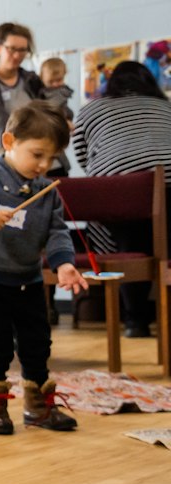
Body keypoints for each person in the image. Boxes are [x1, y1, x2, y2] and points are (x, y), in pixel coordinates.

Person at [0, 103, 89, 435]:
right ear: (9, 141)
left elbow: (56, 232)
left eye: (50, 159)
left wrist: (65, 264)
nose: (43, 165)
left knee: (37, 342)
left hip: (28, 278)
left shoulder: (45, 190)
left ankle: (38, 408)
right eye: (37, 154)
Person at [72, 60, 171, 338]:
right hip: (169, 185)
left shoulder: (91, 108)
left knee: (128, 246)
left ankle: (135, 321)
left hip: (121, 188)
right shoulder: (166, 107)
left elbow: (82, 155)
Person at [0, 22, 44, 168]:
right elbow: (1, 122)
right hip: (6, 158)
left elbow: (49, 107)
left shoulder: (32, 79)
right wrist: (37, 132)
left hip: (41, 157)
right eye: (11, 49)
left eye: (22, 50)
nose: (17, 55)